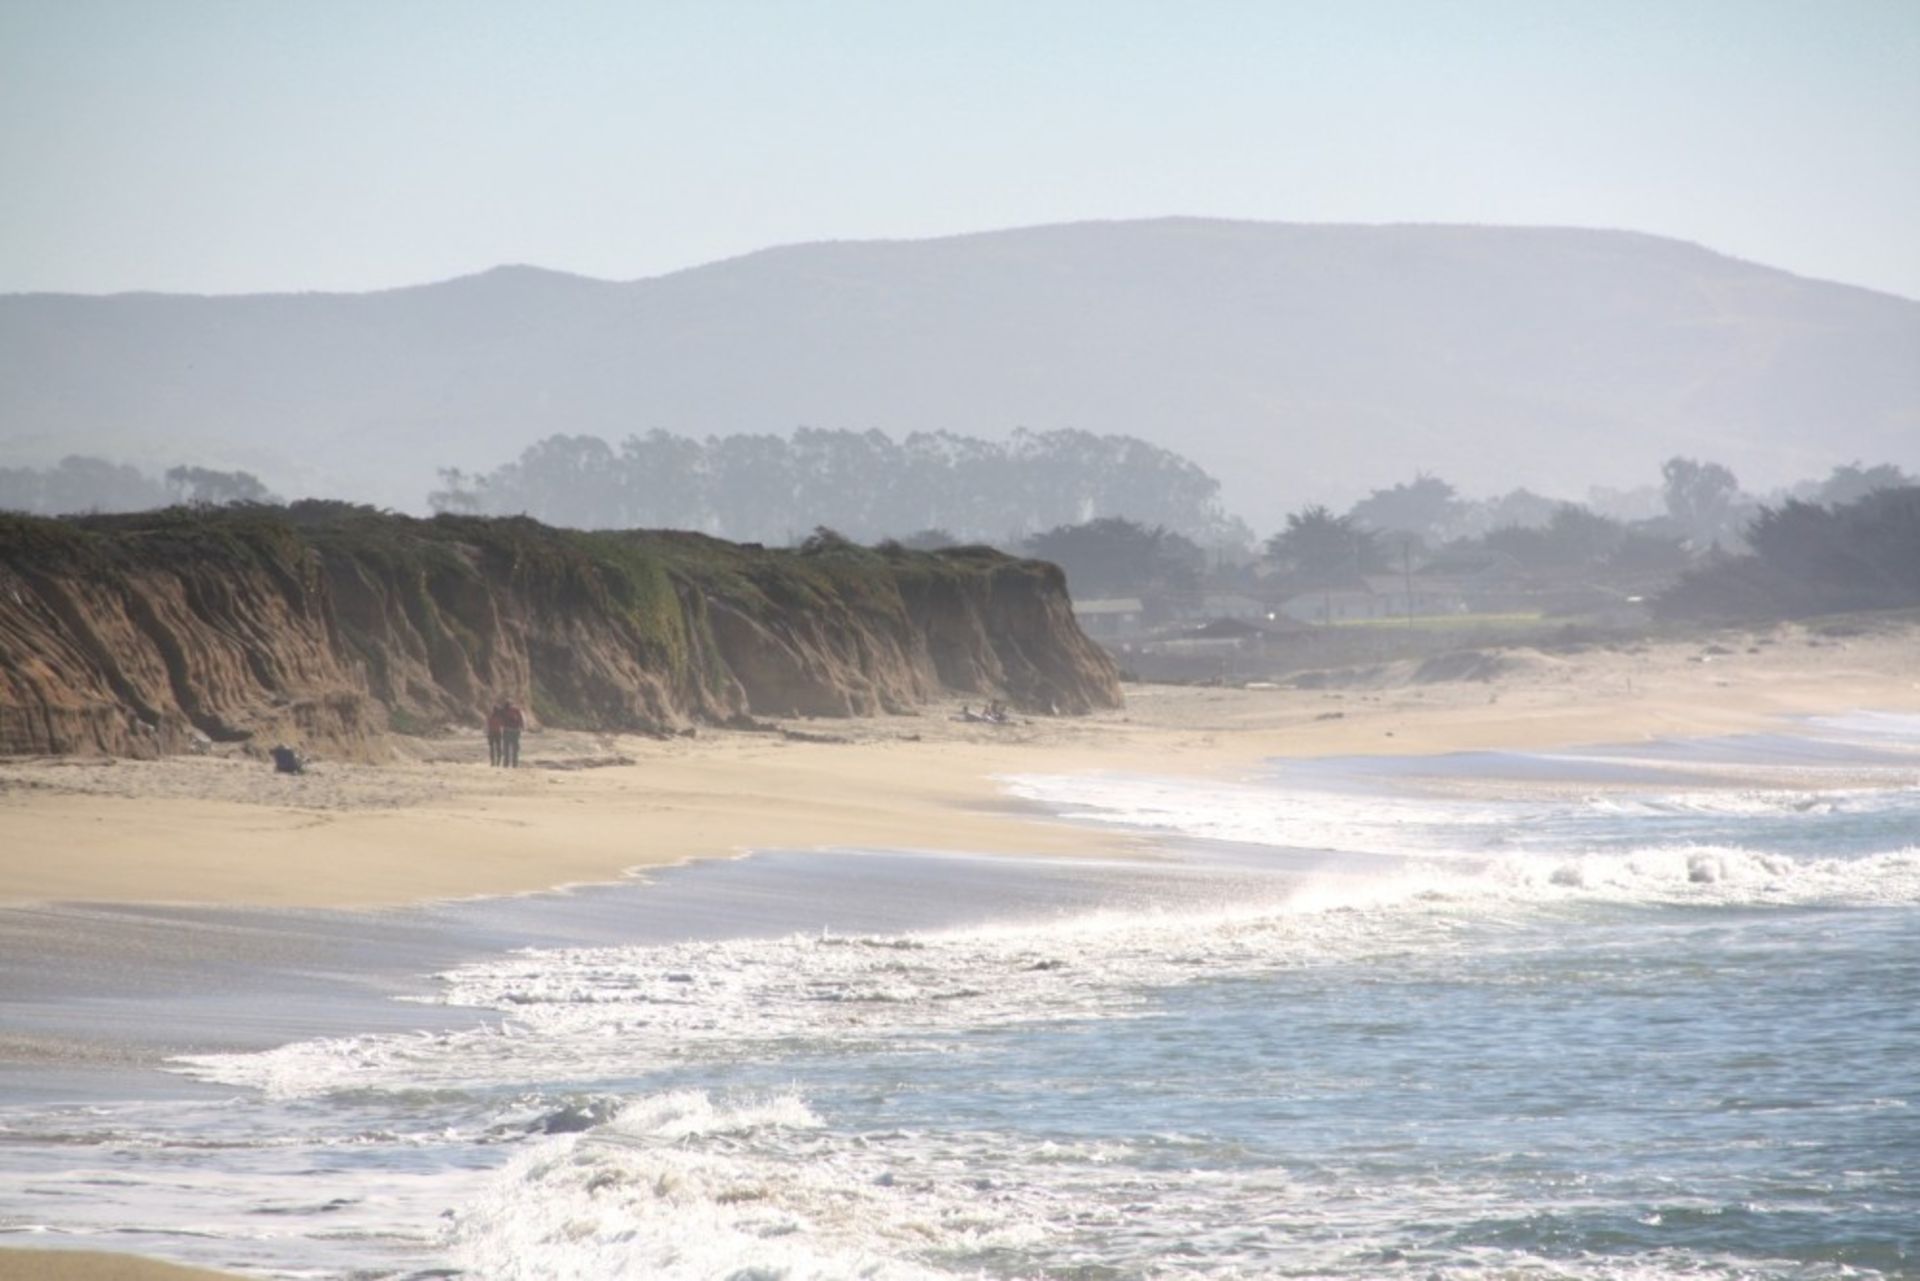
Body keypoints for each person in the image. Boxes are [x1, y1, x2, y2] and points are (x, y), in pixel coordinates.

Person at [501, 699, 525, 768]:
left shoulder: (504, 710)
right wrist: (522, 727)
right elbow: (521, 719)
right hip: (515, 731)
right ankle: (515, 764)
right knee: (515, 748)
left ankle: (506, 764)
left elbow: (501, 720)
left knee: (506, 748)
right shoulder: (516, 710)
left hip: (507, 730)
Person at [485, 701, 506, 767]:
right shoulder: (499, 718)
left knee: (492, 748)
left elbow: (487, 726)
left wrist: (487, 733)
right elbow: (502, 725)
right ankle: (498, 762)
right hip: (498, 733)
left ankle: (492, 762)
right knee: (498, 747)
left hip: (491, 733)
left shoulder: (490, 717)